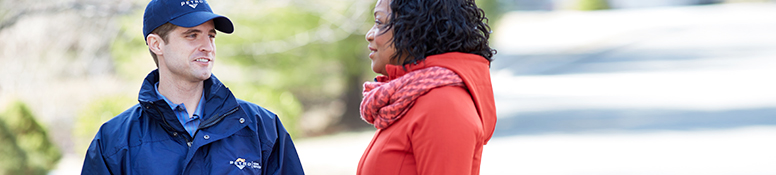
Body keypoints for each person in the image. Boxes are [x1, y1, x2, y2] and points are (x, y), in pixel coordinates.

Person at [81, 0, 304, 174]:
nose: (207, 47)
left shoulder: (263, 128)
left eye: (211, 36)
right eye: (192, 35)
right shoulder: (114, 141)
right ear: (156, 44)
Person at [357, 0, 497, 174]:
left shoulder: (442, 105)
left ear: (414, 27)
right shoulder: (412, 98)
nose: (369, 34)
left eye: (379, 22)